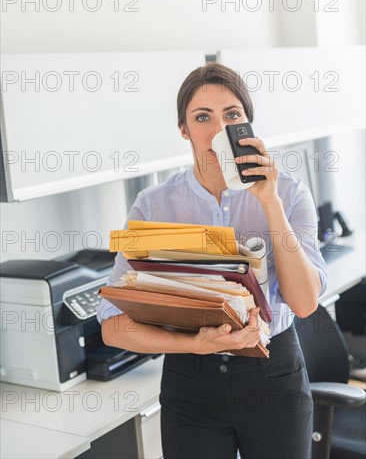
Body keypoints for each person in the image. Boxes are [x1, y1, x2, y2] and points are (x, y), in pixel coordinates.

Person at [98, 63, 327, 459]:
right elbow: (112, 327)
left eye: (232, 115)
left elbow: (304, 303)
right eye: (203, 116)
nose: (219, 128)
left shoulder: (289, 193)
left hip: (272, 376)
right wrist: (194, 343)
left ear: (248, 124)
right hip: (190, 382)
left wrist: (270, 204)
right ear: (184, 130)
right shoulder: (154, 205)